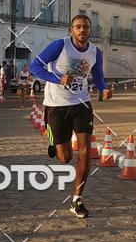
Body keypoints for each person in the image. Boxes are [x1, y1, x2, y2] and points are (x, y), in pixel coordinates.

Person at [29, 14, 106, 218]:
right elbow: (34, 67)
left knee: (84, 151)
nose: (82, 30)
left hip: (82, 104)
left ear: (90, 30)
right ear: (71, 30)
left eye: (86, 27)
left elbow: (98, 75)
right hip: (56, 105)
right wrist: (57, 78)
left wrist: (103, 89)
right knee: (65, 158)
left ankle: (77, 199)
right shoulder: (59, 46)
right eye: (78, 27)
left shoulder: (95, 52)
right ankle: (53, 140)